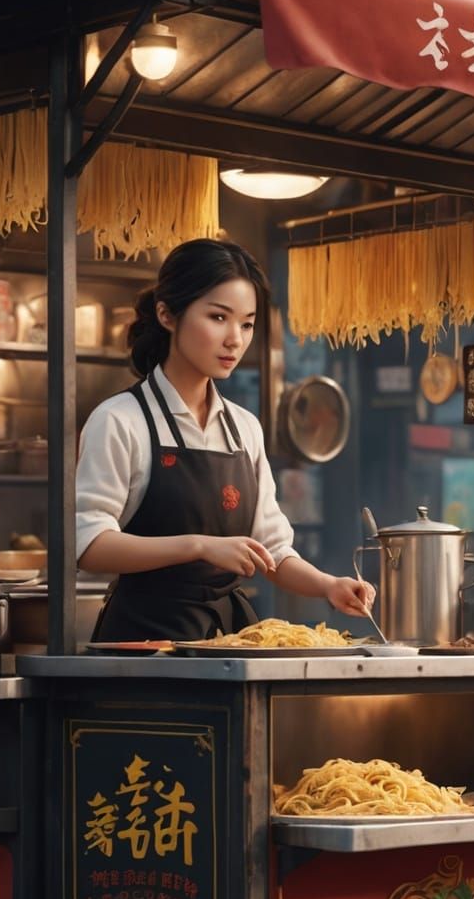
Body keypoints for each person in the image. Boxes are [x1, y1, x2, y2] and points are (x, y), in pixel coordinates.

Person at [77, 238, 375, 643]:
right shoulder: (119, 420)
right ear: (167, 314)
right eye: (219, 317)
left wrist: (327, 585)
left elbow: (272, 551)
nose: (235, 338)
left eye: (247, 323)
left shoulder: (244, 428)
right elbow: (89, 545)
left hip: (226, 643)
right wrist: (198, 546)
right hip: (142, 644)